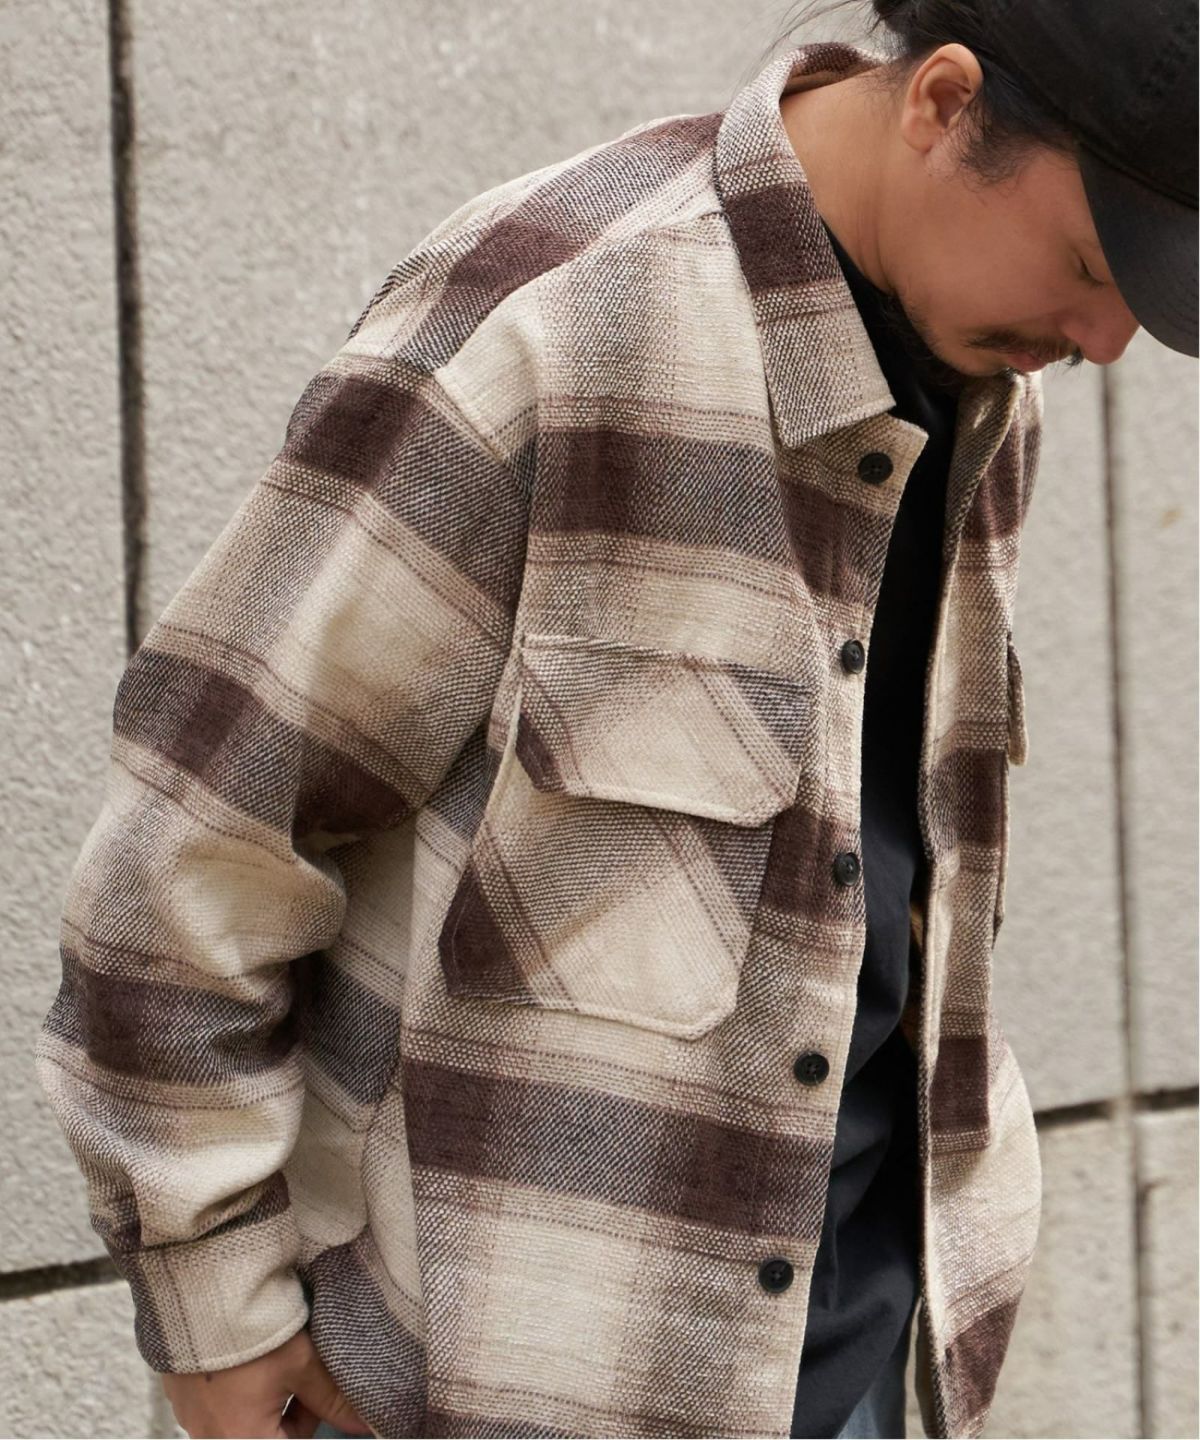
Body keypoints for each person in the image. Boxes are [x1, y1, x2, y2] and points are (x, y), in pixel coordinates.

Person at [33, 1, 1195, 1437]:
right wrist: (215, 1311)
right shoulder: (559, 321)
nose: (1103, 340)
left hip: (861, 1365)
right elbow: (194, 842)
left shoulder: (983, 385)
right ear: (943, 106)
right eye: (1089, 267)